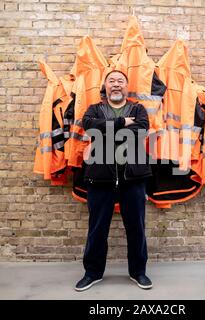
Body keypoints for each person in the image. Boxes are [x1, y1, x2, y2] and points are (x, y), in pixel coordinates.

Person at [74, 70, 153, 291]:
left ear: (127, 86)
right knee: (97, 229)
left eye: (120, 81)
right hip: (100, 179)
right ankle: (92, 273)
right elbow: (90, 127)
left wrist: (107, 128)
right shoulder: (94, 110)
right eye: (112, 81)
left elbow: (140, 130)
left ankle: (139, 272)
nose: (116, 85)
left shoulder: (138, 109)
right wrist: (121, 122)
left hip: (133, 178)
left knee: (136, 227)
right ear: (105, 86)